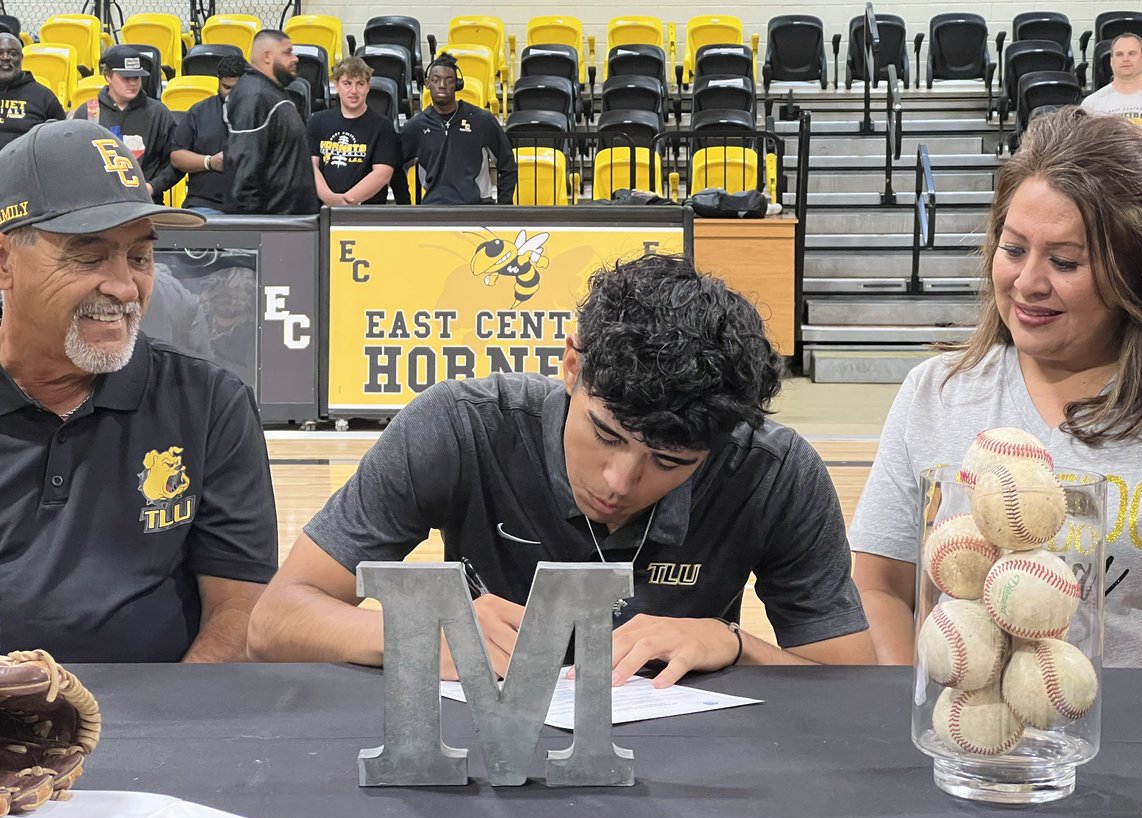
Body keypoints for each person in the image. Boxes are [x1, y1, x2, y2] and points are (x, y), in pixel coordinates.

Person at [248, 254, 875, 681]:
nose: (619, 482)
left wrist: (735, 646)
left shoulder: (776, 472)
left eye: (668, 462)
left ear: (725, 441)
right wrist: (420, 633)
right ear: (571, 366)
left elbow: (851, 686)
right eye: (605, 434)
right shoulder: (460, 426)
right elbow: (275, 623)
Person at [849, 108, 1142, 668]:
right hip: (965, 738)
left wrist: (1118, 739)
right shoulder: (933, 393)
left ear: (1139, 271)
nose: (1028, 283)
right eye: (1013, 249)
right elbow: (880, 587)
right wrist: (910, 699)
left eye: (1064, 261)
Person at [0, 119, 279, 662]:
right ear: (5, 262)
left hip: (163, 731)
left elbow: (239, 612)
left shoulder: (210, 404)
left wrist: (171, 735)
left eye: (140, 256)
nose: (125, 288)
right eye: (88, 255)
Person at [396, 53, 516, 204]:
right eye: (435, 80)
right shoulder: (416, 126)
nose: (442, 85)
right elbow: (394, 165)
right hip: (434, 209)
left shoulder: (482, 120)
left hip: (477, 209)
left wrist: (504, 205)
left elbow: (507, 164)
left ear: (457, 84)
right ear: (427, 83)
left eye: (449, 80)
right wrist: (404, 203)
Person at [224, 30, 317, 215]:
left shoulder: (269, 93)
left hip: (287, 223)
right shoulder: (254, 95)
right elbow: (244, 168)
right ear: (267, 56)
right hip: (272, 227)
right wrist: (254, 233)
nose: (295, 58)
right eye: (287, 52)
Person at [72, 45, 180, 203]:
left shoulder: (159, 113)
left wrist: (152, 187)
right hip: (99, 204)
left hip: (146, 204)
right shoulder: (88, 112)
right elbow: (75, 161)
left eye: (136, 77)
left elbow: (176, 161)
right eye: (126, 78)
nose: (133, 83)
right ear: (108, 76)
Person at [1081, 33, 1142, 168]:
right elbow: (1085, 157)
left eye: (1132, 53)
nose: (1126, 59)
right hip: (1105, 185)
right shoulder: (1091, 104)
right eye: (1119, 54)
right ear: (1111, 60)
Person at [308, 56, 397, 206]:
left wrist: (345, 202)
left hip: (366, 215)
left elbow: (383, 174)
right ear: (337, 85)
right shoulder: (317, 121)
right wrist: (329, 199)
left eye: (360, 84)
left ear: (368, 87)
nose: (353, 91)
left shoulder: (383, 126)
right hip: (322, 211)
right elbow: (310, 167)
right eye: (347, 83)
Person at [168, 54, 245, 214]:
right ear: (218, 81)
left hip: (251, 206)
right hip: (205, 204)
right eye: (227, 88)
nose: (231, 95)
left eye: (237, 89)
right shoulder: (199, 112)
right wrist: (209, 162)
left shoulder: (263, 113)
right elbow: (177, 157)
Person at [0, 32, 65, 150]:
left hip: (23, 163)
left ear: (21, 58)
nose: (5, 57)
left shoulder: (43, 96)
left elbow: (61, 138)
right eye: (0, 53)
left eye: (12, 53)